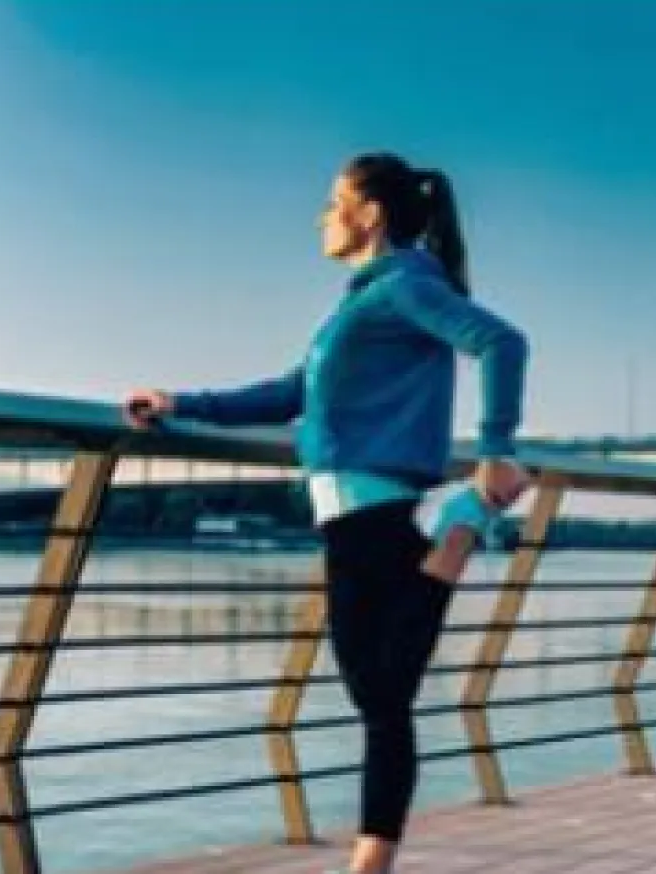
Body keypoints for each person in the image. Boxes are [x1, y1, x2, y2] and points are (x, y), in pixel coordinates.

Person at [123, 152, 530, 874]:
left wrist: (496, 446)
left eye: (331, 202)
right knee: (383, 694)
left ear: (368, 212)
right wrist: (184, 403)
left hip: (370, 509)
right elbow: (289, 393)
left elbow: (501, 341)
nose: (321, 217)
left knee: (380, 694)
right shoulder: (360, 303)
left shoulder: (402, 284)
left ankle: (466, 517)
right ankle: (462, 523)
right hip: (356, 516)